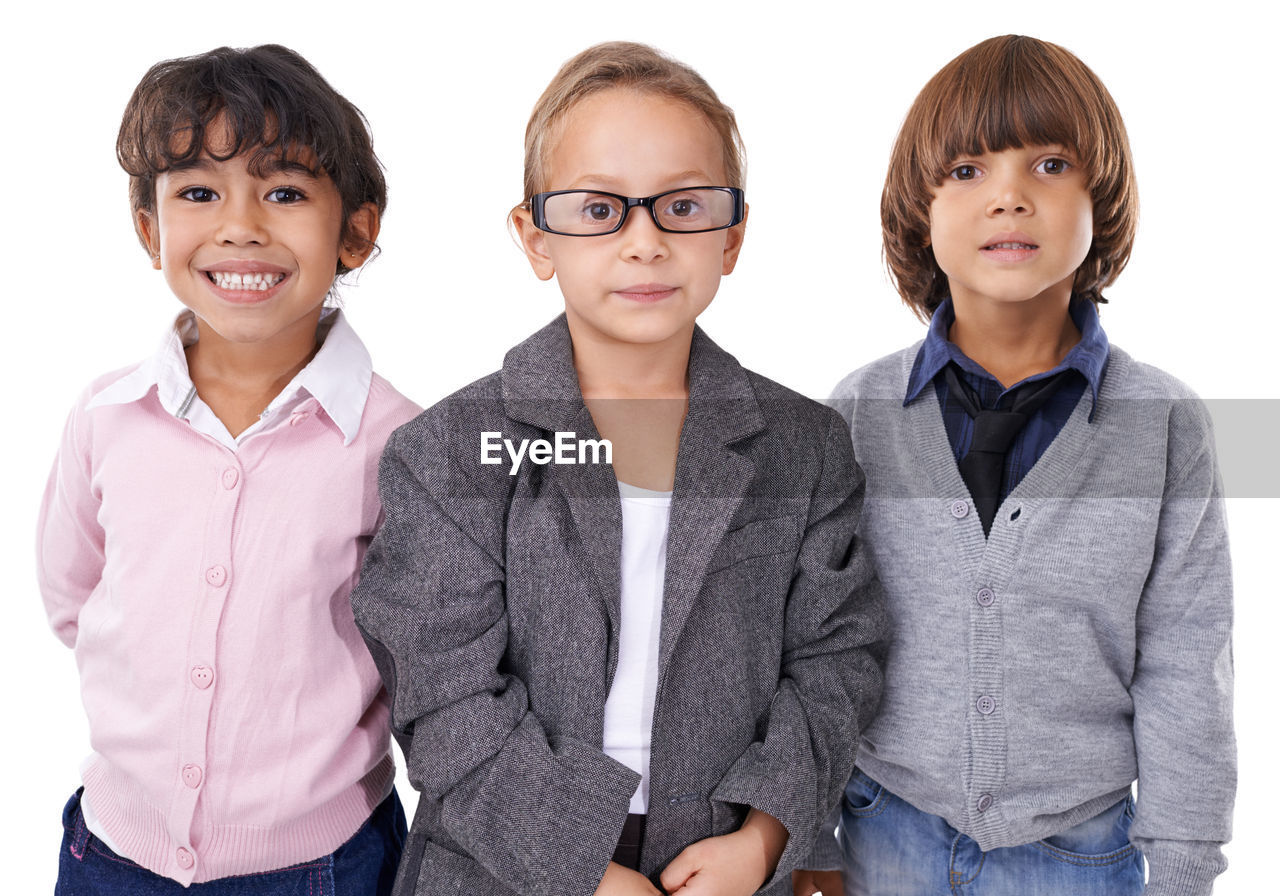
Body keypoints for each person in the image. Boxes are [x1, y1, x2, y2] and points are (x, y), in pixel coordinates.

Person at [351, 41, 886, 896]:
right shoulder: (448, 451)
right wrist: (580, 870)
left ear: (733, 236)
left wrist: (764, 836)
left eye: (683, 206)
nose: (645, 242)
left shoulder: (805, 446)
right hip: (506, 867)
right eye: (599, 209)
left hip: (726, 858)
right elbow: (445, 700)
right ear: (535, 238)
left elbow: (837, 660)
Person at [794, 34, 1235, 896]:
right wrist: (810, 833)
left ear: (1099, 201)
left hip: (1082, 852)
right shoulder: (855, 413)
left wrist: (1183, 868)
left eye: (1049, 163)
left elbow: (1187, 659)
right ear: (919, 208)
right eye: (966, 170)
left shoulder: (1163, 423)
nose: (1007, 198)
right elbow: (811, 640)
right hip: (886, 834)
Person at [37, 44, 420, 893]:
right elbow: (75, 599)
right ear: (151, 230)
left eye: (283, 192)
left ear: (355, 229)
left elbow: (425, 658)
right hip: (111, 854)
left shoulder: (403, 443)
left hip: (322, 863)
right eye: (199, 194)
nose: (240, 225)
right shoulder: (106, 416)